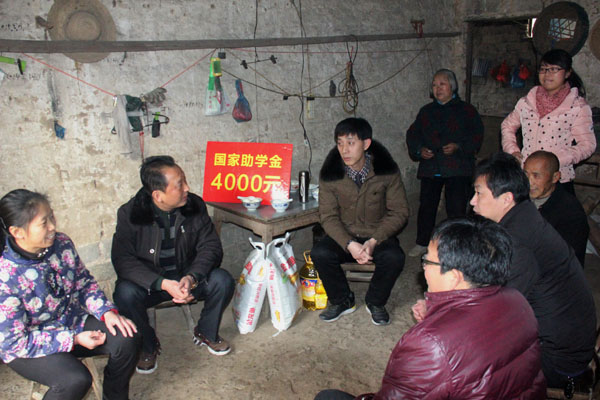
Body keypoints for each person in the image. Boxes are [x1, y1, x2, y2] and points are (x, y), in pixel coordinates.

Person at [314, 217, 546, 400]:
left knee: (327, 397)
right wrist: (438, 317)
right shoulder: (517, 301)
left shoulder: (428, 344)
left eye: (428, 261)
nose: (423, 268)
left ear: (454, 276)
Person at [471, 152, 596, 390]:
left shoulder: (518, 242)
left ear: (506, 198)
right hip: (567, 339)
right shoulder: (524, 213)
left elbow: (501, 311)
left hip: (558, 358)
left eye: (479, 193)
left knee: (466, 361)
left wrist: (448, 310)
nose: (472, 201)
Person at [0, 189, 140, 400]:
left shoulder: (61, 244)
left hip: (71, 321)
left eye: (52, 217)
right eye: (44, 223)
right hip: (28, 345)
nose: (52, 227)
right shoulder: (5, 276)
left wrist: (106, 312)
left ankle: (114, 396)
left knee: (127, 337)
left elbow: (83, 283)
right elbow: (15, 342)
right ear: (17, 232)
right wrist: (73, 339)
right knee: (74, 379)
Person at [111, 155, 235, 374]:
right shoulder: (130, 214)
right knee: (124, 293)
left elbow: (211, 247)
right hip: (153, 285)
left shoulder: (194, 205)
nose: (187, 188)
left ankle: (206, 332)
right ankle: (148, 345)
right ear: (158, 195)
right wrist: (161, 283)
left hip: (187, 280)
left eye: (184, 180)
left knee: (222, 280)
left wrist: (192, 277)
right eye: (179, 185)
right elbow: (123, 260)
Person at [311, 117, 409, 326]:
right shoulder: (330, 174)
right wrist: (349, 243)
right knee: (320, 253)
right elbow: (327, 216)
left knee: (395, 257)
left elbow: (399, 211)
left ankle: (375, 302)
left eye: (351, 142)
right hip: (345, 235)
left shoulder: (386, 171)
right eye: (340, 143)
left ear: (366, 144)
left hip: (377, 234)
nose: (344, 150)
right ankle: (342, 300)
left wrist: (374, 240)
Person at [406, 68, 483, 258]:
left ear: (452, 87)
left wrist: (459, 147)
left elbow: (476, 136)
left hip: (457, 167)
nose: (438, 88)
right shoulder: (426, 112)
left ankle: (458, 244)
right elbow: (413, 135)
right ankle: (423, 242)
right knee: (427, 206)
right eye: (434, 85)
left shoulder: (466, 111)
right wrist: (420, 150)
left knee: (456, 207)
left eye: (442, 84)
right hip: (432, 166)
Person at [501, 49, 596, 194]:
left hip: (557, 178)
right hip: (526, 176)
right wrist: (512, 151)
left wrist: (556, 160)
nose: (547, 74)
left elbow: (587, 145)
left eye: (554, 69)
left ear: (567, 73)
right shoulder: (527, 102)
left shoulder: (577, 107)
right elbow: (507, 126)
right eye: (543, 69)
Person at [524, 150, 589, 267]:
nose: (529, 182)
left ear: (555, 177)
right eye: (526, 174)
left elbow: (567, 261)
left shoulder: (570, 212)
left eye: (536, 176)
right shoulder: (520, 199)